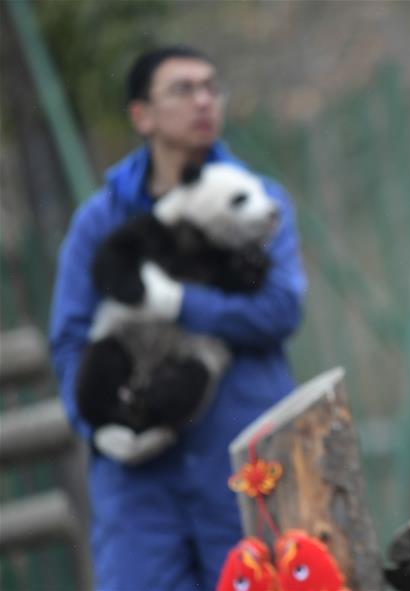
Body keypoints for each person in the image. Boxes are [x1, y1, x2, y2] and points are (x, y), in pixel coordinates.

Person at [49, 46, 306, 590]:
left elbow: (281, 308)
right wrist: (99, 427)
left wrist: (180, 304)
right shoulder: (100, 221)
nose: (204, 101)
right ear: (141, 115)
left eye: (212, 87)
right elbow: (71, 338)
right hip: (137, 482)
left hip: (243, 459)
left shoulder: (254, 200)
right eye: (184, 89)